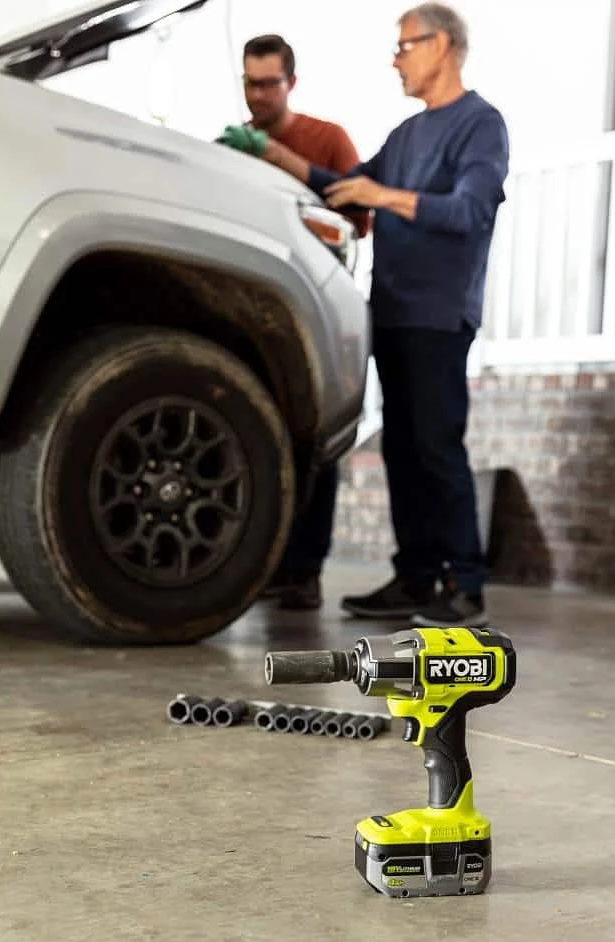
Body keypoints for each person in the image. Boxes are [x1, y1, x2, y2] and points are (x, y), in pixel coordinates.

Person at [217, 4, 508, 627]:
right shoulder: (406, 135)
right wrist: (271, 153)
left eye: (405, 46)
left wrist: (383, 197)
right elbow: (342, 187)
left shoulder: (481, 125)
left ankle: (466, 586)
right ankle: (416, 577)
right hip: (393, 314)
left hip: (438, 316)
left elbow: (469, 211)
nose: (395, 60)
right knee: (401, 449)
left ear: (442, 45)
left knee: (435, 447)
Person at [231, 34, 369, 611]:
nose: (259, 94)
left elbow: (360, 214)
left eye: (269, 84)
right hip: (253, 310)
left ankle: (304, 572)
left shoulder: (327, 138)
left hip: (317, 306)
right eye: (250, 83)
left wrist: (284, 162)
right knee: (264, 440)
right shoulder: (234, 143)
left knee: (316, 439)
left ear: (291, 83)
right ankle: (267, 567)